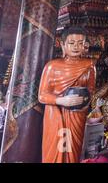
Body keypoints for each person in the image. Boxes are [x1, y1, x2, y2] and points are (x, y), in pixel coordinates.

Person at [38, 26, 96, 163]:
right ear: (63, 45)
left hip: (77, 114)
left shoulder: (89, 65)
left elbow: (91, 91)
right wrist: (61, 101)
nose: (76, 46)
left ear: (85, 46)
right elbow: (42, 95)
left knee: (73, 150)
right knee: (55, 148)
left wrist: (83, 103)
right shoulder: (52, 66)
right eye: (71, 43)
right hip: (55, 113)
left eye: (80, 43)